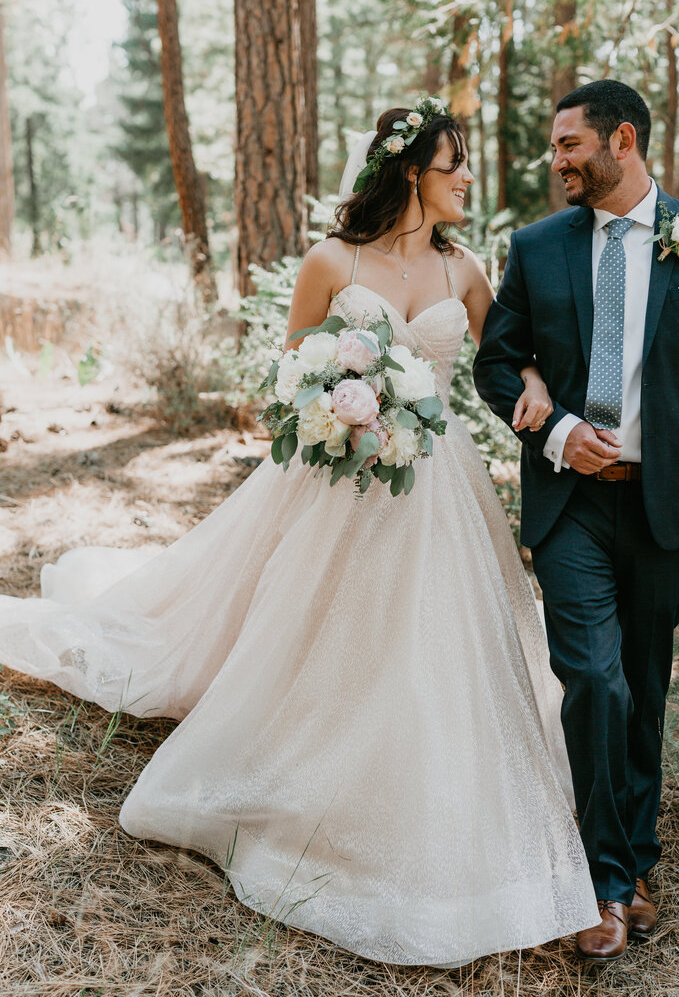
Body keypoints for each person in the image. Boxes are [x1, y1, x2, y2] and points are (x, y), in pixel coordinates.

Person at [0, 98, 599, 968]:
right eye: (453, 164)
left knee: (434, 624)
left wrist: (538, 378)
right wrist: (338, 409)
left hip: (439, 477)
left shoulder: (466, 269)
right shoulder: (331, 259)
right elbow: (294, 369)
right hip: (340, 470)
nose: (468, 177)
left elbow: (507, 350)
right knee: (313, 613)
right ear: (408, 173)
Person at [473, 79, 679, 963]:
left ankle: (636, 863)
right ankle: (601, 885)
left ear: (623, 141)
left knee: (642, 689)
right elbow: (498, 362)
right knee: (594, 680)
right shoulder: (536, 246)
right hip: (569, 505)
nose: (557, 160)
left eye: (570, 144)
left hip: (664, 503)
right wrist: (560, 430)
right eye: (557, 146)